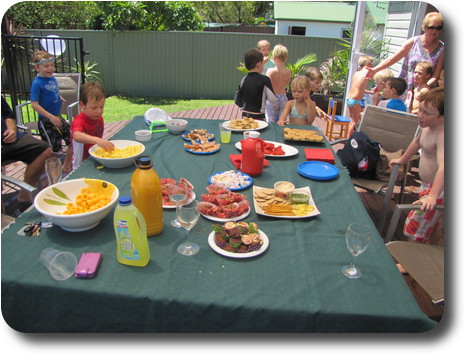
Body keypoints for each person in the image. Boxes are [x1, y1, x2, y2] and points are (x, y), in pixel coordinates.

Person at [389, 87, 444, 243]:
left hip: (438, 189)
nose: (420, 115)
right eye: (420, 110)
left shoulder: (442, 136)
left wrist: (432, 196)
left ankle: (409, 262)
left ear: (443, 117)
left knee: (417, 223)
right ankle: (431, 252)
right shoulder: (426, 127)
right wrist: (402, 160)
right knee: (432, 223)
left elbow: (444, 168)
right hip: (428, 186)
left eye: (427, 113)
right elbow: (416, 143)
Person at [368, 12, 444, 93]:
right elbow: (392, 59)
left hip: (422, 92)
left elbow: (436, 75)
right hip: (404, 88)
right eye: (431, 27)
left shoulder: (441, 48)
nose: (434, 31)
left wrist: (423, 87)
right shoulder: (413, 42)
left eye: (438, 28)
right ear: (425, 27)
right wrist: (375, 70)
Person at [2, 97, 52, 205]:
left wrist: (12, 129)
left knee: (44, 150)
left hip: (8, 138)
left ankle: (25, 193)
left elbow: (8, 115)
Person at [30, 50, 72, 174]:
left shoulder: (52, 78)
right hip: (47, 121)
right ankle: (53, 176)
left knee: (73, 139)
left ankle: (66, 166)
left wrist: (58, 97)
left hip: (57, 117)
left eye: (52, 65)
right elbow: (34, 104)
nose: (50, 68)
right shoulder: (37, 83)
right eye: (46, 66)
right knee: (53, 151)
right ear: (37, 67)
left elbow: (51, 91)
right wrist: (50, 117)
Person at [71, 82, 114, 170]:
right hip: (81, 164)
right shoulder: (79, 120)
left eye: (101, 107)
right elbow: (76, 135)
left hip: (95, 157)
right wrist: (97, 140)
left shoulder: (99, 119)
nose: (99, 111)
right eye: (94, 108)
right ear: (82, 105)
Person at [234, 49, 276, 121]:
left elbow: (237, 100)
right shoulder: (265, 80)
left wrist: (245, 107)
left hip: (245, 117)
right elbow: (272, 99)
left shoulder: (243, 79)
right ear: (259, 64)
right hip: (259, 116)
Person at [346, 55, 374, 137]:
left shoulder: (356, 73)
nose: (372, 66)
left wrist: (370, 92)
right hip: (355, 100)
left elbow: (358, 88)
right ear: (367, 65)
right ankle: (348, 141)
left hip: (350, 98)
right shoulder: (366, 74)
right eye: (371, 64)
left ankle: (348, 137)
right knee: (355, 122)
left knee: (352, 121)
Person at [265, 44, 291, 123]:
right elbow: (287, 83)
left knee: (271, 121)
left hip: (272, 96)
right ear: (285, 58)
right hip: (283, 96)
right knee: (281, 121)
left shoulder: (270, 71)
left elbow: (267, 84)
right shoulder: (288, 71)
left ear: (274, 58)